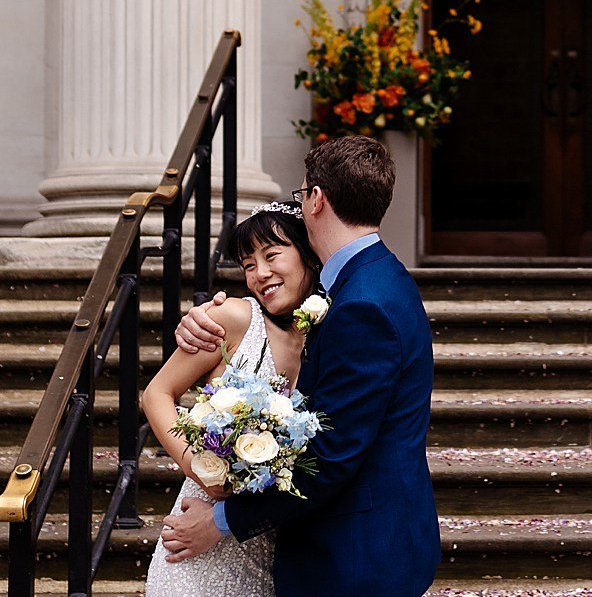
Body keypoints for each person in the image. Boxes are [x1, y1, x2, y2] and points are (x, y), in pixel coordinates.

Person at [157, 133, 440, 597]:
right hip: (364, 542)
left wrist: (222, 521)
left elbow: (331, 456)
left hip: (353, 555)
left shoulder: (360, 305)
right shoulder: (372, 281)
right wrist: (206, 320)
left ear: (316, 199)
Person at [141, 201, 321, 597]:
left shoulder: (324, 335)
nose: (261, 273)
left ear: (308, 254)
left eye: (272, 255)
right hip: (198, 536)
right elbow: (156, 394)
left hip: (272, 544)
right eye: (248, 264)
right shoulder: (233, 318)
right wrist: (200, 468)